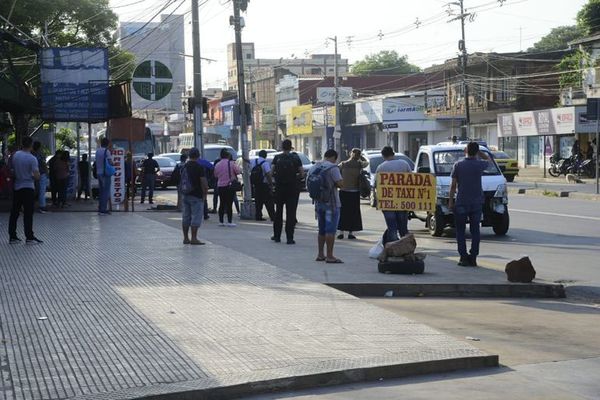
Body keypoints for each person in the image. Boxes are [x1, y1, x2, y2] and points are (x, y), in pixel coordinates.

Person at [448, 141, 490, 267]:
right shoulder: (480, 165)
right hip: (477, 202)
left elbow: (453, 185)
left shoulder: (458, 165)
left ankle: (463, 257)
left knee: (460, 231)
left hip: (461, 201)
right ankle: (473, 257)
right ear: (476, 151)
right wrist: (479, 152)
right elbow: (489, 159)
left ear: (466, 150)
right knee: (475, 231)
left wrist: (451, 201)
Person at [311, 149, 344, 263]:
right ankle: (330, 256)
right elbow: (340, 184)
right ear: (334, 157)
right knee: (330, 230)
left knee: (321, 230)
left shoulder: (316, 166)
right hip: (332, 203)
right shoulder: (333, 168)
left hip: (319, 203)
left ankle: (320, 254)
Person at [8, 136, 42, 244]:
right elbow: (36, 176)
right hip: (28, 187)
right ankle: (29, 237)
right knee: (28, 213)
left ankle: (12, 236)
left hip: (17, 186)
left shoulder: (15, 155)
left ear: (22, 144)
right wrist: (37, 176)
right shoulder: (32, 158)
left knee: (14, 212)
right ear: (31, 145)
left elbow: (12, 170)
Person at [375, 146, 412, 243]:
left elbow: (377, 185)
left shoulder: (381, 167)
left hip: (387, 201)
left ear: (383, 156)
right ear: (393, 153)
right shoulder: (404, 164)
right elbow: (412, 181)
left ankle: (394, 248)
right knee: (403, 227)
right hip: (402, 200)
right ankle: (405, 247)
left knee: (392, 227)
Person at [271, 139, 304, 244]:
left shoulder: (277, 158)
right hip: (292, 189)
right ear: (291, 147)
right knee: (291, 214)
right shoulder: (295, 158)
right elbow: (302, 173)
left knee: (278, 213)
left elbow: (271, 172)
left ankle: (277, 236)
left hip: (280, 189)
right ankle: (290, 238)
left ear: (282, 147)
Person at [337, 148, 368, 239]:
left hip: (343, 191)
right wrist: (361, 157)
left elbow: (337, 171)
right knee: (353, 213)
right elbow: (366, 163)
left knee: (342, 212)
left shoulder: (343, 164)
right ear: (359, 155)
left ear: (350, 154)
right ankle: (351, 233)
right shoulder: (359, 164)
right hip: (354, 192)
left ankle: (341, 232)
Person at [181, 147, 208, 245]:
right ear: (198, 156)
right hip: (196, 195)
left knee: (186, 216)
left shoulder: (184, 166)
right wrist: (205, 192)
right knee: (196, 216)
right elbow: (203, 182)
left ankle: (185, 238)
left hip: (185, 194)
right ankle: (194, 238)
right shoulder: (199, 167)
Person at [213, 148, 241, 227]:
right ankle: (229, 221)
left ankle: (221, 221)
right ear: (228, 156)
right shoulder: (232, 163)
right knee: (229, 204)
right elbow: (238, 171)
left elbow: (215, 175)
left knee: (221, 203)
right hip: (229, 186)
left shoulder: (217, 164)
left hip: (220, 186)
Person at [251, 149, 275, 221]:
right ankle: (273, 216)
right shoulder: (265, 163)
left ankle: (258, 216)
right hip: (264, 184)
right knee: (269, 201)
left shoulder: (254, 161)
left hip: (256, 184)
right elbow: (268, 174)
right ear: (265, 156)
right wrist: (271, 184)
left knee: (258, 201)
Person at [95, 137, 113, 215]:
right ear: (108, 144)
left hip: (99, 173)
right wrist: (113, 164)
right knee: (106, 191)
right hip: (105, 173)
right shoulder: (107, 151)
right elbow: (110, 162)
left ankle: (100, 208)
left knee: (101, 191)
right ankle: (103, 209)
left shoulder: (97, 151)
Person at [32, 141, 49, 213]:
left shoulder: (31, 154)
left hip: (32, 174)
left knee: (33, 190)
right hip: (41, 174)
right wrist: (46, 172)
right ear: (39, 147)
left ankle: (30, 205)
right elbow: (43, 164)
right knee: (42, 190)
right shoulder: (40, 155)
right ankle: (42, 206)